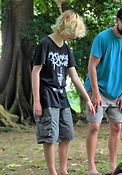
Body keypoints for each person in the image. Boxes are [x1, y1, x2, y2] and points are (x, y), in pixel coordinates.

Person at [31, 10, 95, 175]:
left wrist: (88, 99)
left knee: (67, 134)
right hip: (47, 95)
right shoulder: (45, 44)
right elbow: (35, 72)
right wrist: (37, 100)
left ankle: (63, 171)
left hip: (62, 96)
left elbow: (74, 77)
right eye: (73, 33)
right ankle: (52, 172)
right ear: (66, 27)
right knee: (50, 136)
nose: (74, 37)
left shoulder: (66, 48)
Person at [84, 6, 122, 175]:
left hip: (117, 92)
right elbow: (92, 67)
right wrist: (96, 94)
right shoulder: (102, 38)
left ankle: (114, 167)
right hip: (97, 88)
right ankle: (91, 168)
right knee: (94, 126)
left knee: (117, 128)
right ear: (117, 20)